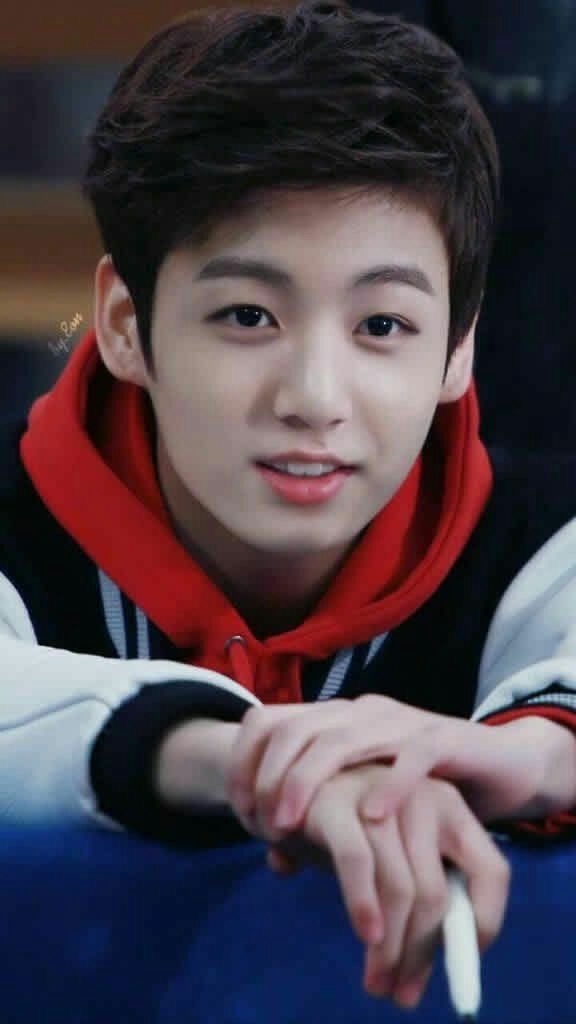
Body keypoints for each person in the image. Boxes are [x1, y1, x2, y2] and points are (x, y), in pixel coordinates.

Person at [2, 0, 576, 1009]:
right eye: (248, 314)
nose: (314, 396)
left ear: (458, 349)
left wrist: (523, 757)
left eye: (383, 325)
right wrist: (257, 762)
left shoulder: (540, 533)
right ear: (125, 324)